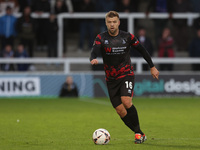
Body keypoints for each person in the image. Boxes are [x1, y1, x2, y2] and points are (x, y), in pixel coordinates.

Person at [90, 11, 159, 144]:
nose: (112, 24)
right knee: (120, 111)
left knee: (126, 102)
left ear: (118, 22)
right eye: (109, 22)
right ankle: (139, 132)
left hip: (126, 74)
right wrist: (93, 58)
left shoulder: (127, 37)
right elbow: (94, 51)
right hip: (111, 79)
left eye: (114, 22)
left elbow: (142, 50)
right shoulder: (101, 38)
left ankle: (138, 134)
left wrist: (152, 66)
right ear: (106, 23)